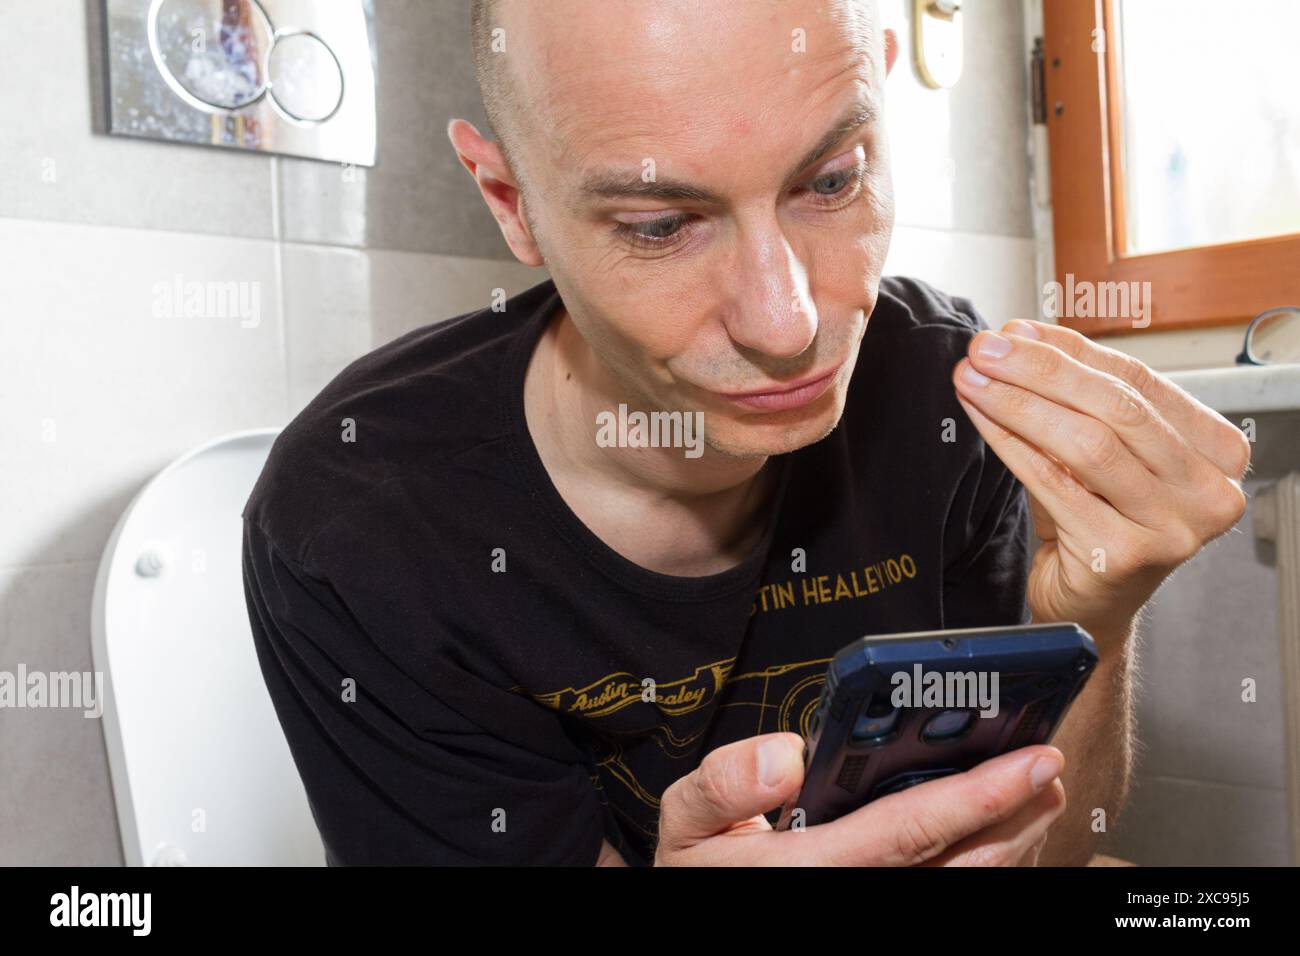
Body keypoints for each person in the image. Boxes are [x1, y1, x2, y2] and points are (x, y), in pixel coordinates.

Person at [240, 0, 1250, 866]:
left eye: (831, 179)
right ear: (514, 206)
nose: (788, 323)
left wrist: (1096, 612)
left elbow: (1039, 844)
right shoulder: (367, 519)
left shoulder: (940, 399)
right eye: (657, 225)